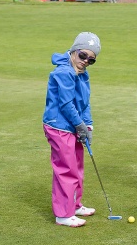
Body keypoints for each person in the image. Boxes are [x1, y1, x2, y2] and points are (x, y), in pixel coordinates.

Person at [43, 32, 101, 227]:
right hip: (59, 126)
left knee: (77, 167)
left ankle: (74, 205)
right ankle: (63, 214)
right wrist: (80, 125)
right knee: (66, 169)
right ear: (74, 51)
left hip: (73, 126)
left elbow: (84, 103)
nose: (85, 61)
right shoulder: (63, 73)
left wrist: (88, 125)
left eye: (90, 60)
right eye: (82, 55)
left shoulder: (82, 74)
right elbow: (67, 104)